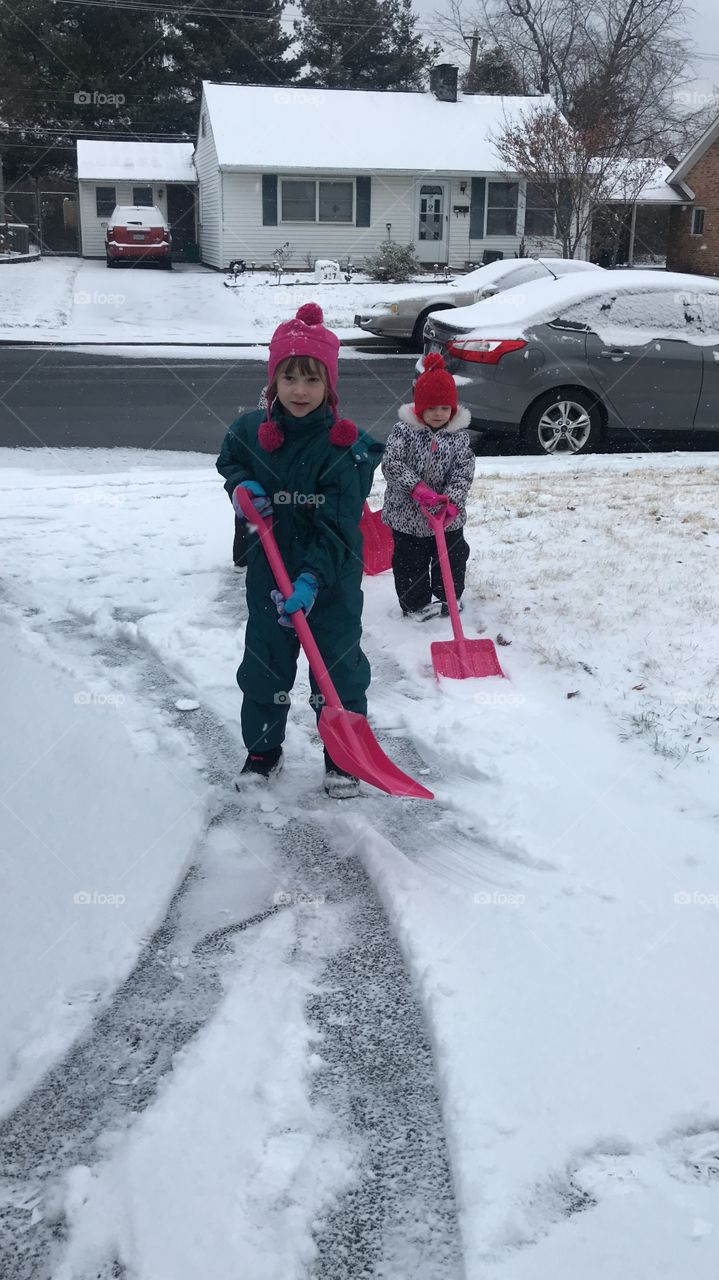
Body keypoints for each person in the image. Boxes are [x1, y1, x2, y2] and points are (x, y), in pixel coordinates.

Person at [216, 302, 382, 799]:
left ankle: (343, 754)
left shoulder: (344, 448)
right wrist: (242, 489)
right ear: (274, 382)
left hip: (328, 583)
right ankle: (264, 750)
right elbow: (230, 461)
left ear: (329, 385)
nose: (300, 390)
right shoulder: (252, 432)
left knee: (338, 667)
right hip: (269, 574)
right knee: (266, 665)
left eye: (312, 379)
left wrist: (311, 580)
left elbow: (337, 526)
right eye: (289, 378)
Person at [381, 353, 475, 620]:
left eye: (444, 408)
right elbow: (392, 464)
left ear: (453, 409)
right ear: (420, 407)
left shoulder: (459, 438)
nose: (438, 414)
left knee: (453, 558)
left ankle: (449, 598)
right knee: (411, 563)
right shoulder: (404, 432)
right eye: (432, 407)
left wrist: (452, 503)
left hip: (447, 519)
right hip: (407, 516)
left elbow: (463, 471)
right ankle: (415, 604)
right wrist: (417, 489)